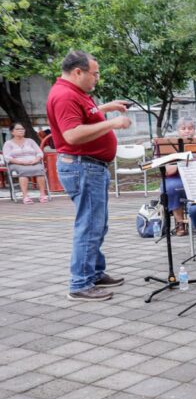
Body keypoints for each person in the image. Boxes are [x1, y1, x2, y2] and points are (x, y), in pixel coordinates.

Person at [47, 50, 131, 302]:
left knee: (97, 224)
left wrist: (106, 108)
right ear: (78, 72)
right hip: (83, 167)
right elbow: (72, 134)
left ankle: (94, 272)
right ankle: (80, 283)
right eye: (94, 73)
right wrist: (112, 123)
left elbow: (86, 114)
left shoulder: (74, 93)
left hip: (91, 166)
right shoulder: (64, 95)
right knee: (89, 226)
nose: (97, 78)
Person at [3, 121, 48, 204]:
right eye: (18, 129)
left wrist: (36, 160)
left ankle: (42, 194)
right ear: (12, 132)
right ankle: (25, 196)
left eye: (22, 129)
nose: (21, 130)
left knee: (39, 169)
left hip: (33, 162)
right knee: (24, 171)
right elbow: (7, 157)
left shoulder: (30, 141)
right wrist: (22, 163)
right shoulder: (8, 143)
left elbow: (39, 153)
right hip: (16, 163)